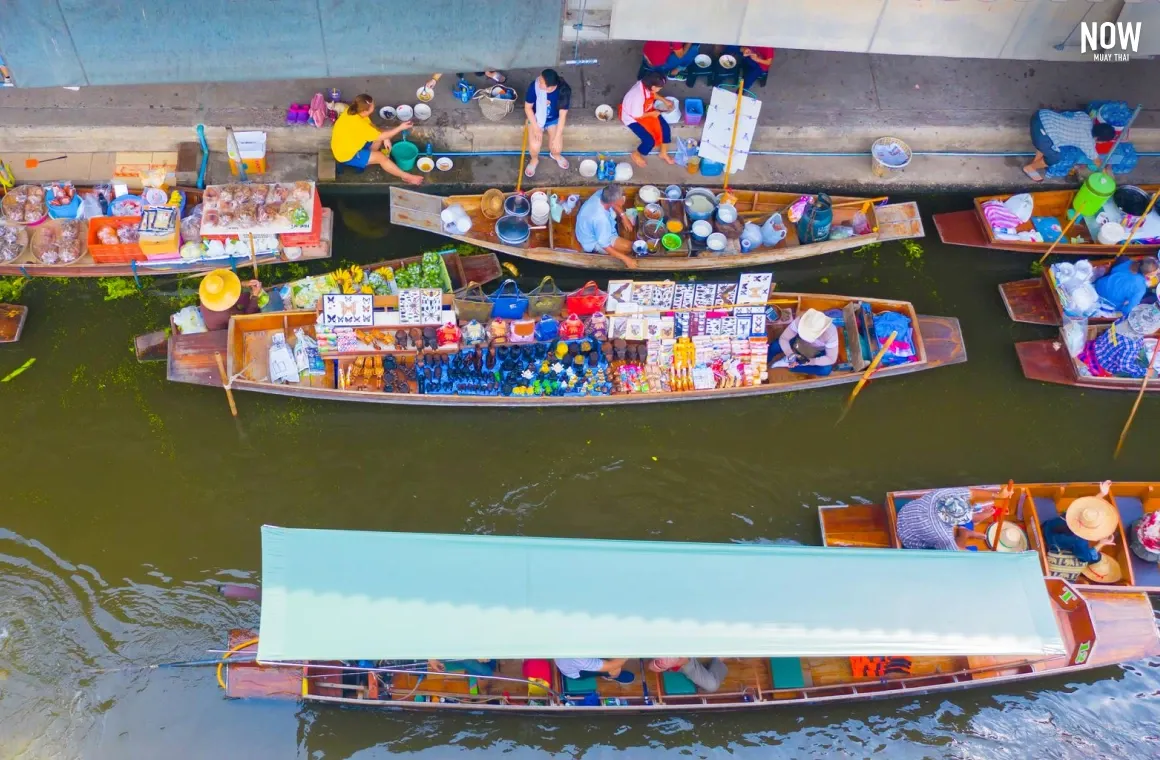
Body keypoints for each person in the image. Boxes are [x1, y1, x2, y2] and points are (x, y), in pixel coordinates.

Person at [330, 94, 423, 185]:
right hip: (345, 155)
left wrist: (385, 139)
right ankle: (407, 177)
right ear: (366, 110)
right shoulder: (360, 126)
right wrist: (400, 128)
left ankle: (366, 159)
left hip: (345, 143)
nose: (374, 105)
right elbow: (376, 134)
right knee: (382, 158)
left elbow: (372, 128)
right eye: (372, 105)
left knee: (379, 139)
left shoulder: (352, 111)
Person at [1042, 481, 1123, 583]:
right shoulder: (1079, 541)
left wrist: (1101, 494)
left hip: (1047, 528)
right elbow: (1086, 558)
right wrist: (1101, 544)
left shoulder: (1071, 515)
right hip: (1051, 542)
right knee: (1089, 557)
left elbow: (1087, 511)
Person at [896, 486, 1008, 551]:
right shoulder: (943, 535)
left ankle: (966, 530)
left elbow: (972, 493)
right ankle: (964, 533)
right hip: (908, 538)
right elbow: (956, 554)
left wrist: (998, 495)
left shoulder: (941, 495)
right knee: (957, 553)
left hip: (905, 512)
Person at [1022, 109, 1116, 182]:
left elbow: (1068, 114)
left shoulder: (1086, 118)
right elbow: (1097, 161)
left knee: (1051, 142)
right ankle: (1030, 168)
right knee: (1054, 158)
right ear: (1099, 138)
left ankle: (1036, 162)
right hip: (1042, 134)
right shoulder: (1088, 143)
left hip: (1040, 115)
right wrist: (1106, 176)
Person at [575, 184, 638, 269]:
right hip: (591, 241)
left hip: (587, 227)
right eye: (620, 198)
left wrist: (624, 217)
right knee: (629, 248)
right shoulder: (601, 220)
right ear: (613, 202)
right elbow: (605, 245)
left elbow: (613, 204)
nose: (622, 199)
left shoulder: (601, 193)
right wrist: (627, 259)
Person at [523, 69, 572, 177]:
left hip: (553, 119)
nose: (538, 82)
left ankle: (555, 155)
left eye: (541, 82)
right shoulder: (534, 86)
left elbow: (562, 116)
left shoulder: (563, 91)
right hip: (536, 119)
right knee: (534, 146)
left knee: (557, 147)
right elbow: (528, 108)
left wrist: (557, 137)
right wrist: (536, 128)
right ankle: (534, 160)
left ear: (549, 87)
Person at [620, 73, 675, 169]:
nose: (660, 89)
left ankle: (663, 153)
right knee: (649, 141)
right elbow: (637, 115)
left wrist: (665, 100)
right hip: (633, 117)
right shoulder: (638, 97)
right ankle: (636, 154)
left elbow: (652, 94)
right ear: (653, 87)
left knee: (665, 128)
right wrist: (653, 114)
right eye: (659, 88)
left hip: (645, 110)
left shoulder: (646, 85)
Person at [767, 309, 839, 376]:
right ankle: (765, 361)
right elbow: (784, 338)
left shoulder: (831, 334)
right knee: (775, 346)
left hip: (817, 351)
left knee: (826, 370)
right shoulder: (801, 320)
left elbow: (831, 359)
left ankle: (792, 366)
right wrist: (790, 354)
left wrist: (809, 362)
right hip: (797, 341)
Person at [1094, 256, 1159, 316]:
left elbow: (1114, 271)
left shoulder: (1126, 262)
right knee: (1152, 297)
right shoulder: (1141, 288)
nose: (1156, 274)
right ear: (1148, 275)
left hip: (1099, 285)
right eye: (1154, 274)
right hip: (1107, 302)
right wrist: (1122, 310)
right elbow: (1129, 309)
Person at [648, 657, 727, 693]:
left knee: (711, 685)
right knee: (712, 685)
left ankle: (718, 659)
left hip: (684, 660)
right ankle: (718, 660)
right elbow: (651, 666)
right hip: (682, 664)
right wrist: (661, 665)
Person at [555, 658, 636, 684]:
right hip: (575, 673)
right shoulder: (581, 660)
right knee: (615, 669)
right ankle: (610, 676)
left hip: (565, 662)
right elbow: (612, 665)